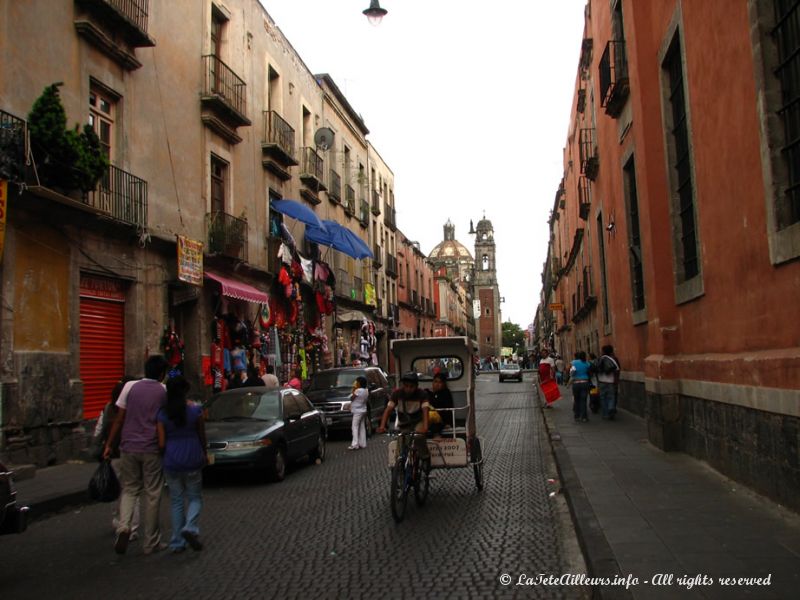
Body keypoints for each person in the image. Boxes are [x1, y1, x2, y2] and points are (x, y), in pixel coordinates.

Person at [104, 355, 169, 555]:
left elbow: (118, 418)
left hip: (128, 446)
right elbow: (165, 421)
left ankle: (124, 526)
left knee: (129, 489)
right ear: (161, 374)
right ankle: (151, 542)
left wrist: (109, 444)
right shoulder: (162, 391)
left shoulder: (129, 387)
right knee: (152, 493)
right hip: (151, 448)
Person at [157, 376, 207, 553]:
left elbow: (161, 443)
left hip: (172, 460)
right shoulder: (195, 411)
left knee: (176, 501)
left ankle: (177, 541)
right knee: (195, 497)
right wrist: (205, 453)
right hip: (192, 456)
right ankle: (190, 527)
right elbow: (202, 434)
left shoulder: (162, 414)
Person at [92, 376, 140, 540]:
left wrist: (103, 446)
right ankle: (131, 527)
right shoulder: (133, 409)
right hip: (129, 451)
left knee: (116, 487)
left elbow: (99, 430)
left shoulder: (108, 408)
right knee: (132, 489)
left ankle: (118, 521)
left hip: (112, 454)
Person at [376, 372, 430, 461]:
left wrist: (425, 427)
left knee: (419, 437)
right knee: (402, 444)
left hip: (418, 421)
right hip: (404, 423)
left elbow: (425, 411)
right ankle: (400, 465)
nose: (408, 389)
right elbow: (388, 410)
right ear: (403, 385)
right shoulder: (397, 394)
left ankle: (425, 457)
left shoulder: (422, 394)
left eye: (411, 387)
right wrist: (382, 426)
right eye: (406, 386)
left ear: (416, 386)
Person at [596, 345, 621, 420]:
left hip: (601, 382)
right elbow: (617, 370)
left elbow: (596, 369)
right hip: (611, 382)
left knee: (603, 398)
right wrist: (616, 381)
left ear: (603, 351)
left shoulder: (600, 359)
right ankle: (611, 408)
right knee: (611, 397)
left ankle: (605, 414)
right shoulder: (613, 359)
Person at [570, 351, 592, 423]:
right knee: (584, 400)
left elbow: (572, 372)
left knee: (577, 400)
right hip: (585, 383)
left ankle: (577, 416)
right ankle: (584, 417)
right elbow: (589, 373)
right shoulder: (587, 363)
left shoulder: (574, 363)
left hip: (576, 383)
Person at [348, 376, 369, 450]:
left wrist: (354, 389)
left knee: (355, 427)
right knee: (362, 427)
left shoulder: (358, 390)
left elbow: (351, 398)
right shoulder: (366, 390)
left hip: (357, 411)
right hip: (363, 410)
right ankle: (363, 443)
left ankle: (355, 444)